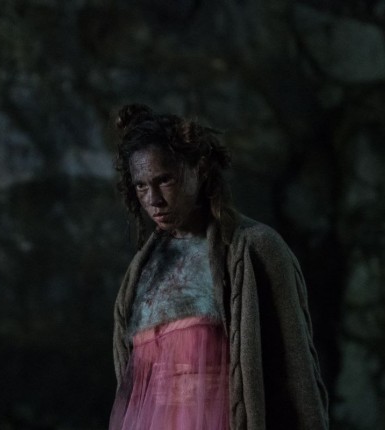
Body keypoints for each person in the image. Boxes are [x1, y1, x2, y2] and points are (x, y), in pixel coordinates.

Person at [108, 103, 329, 430]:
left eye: (164, 180)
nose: (153, 199)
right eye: (141, 186)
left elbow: (298, 374)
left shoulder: (255, 248)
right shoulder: (142, 271)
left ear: (198, 168)